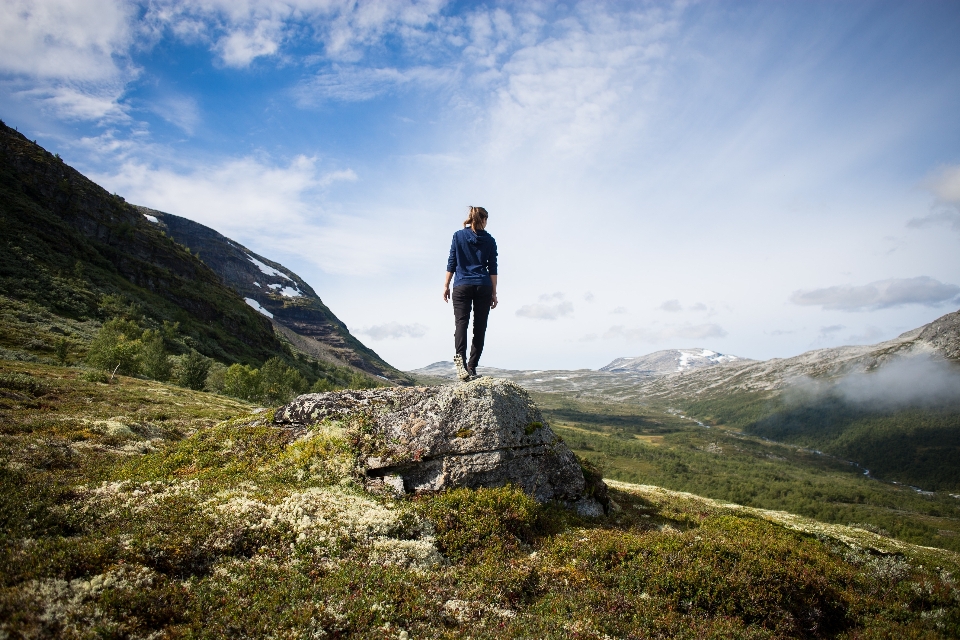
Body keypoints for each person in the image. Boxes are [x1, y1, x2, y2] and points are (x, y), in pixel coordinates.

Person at [443, 206, 498, 381]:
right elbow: (493, 268)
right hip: (483, 285)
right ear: (483, 220)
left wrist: (446, 285)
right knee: (479, 327)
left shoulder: (458, 236)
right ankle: (472, 367)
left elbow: (452, 262)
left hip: (461, 285)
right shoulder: (490, 240)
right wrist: (494, 292)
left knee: (461, 324)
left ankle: (461, 366)